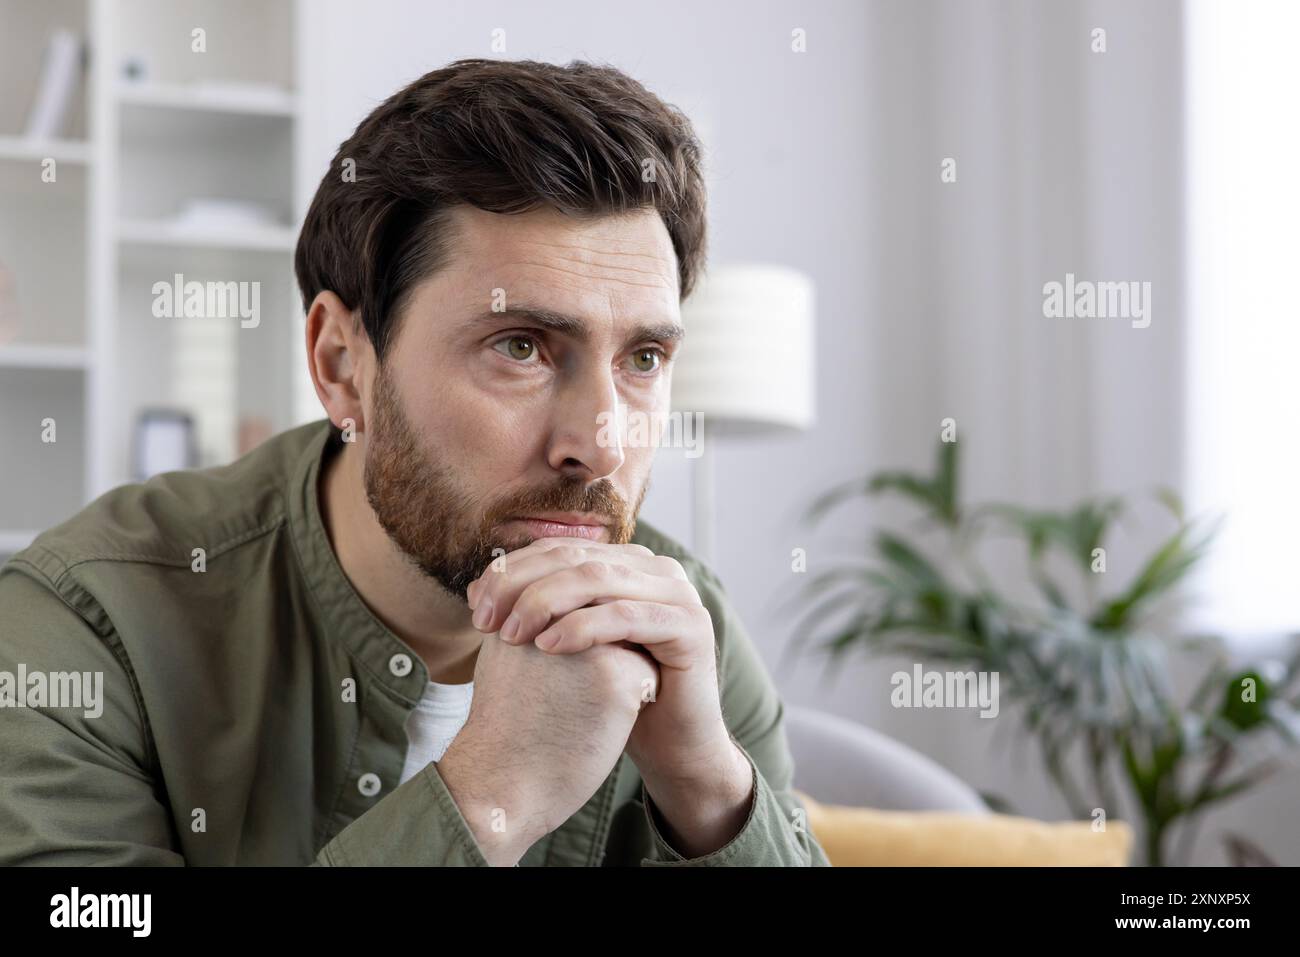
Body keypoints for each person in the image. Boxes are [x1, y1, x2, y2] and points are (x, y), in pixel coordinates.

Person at [0, 58, 829, 867]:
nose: (601, 442)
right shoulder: (86, 623)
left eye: (642, 358)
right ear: (340, 363)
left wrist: (710, 793)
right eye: (521, 347)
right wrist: (489, 796)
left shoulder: (689, 635)